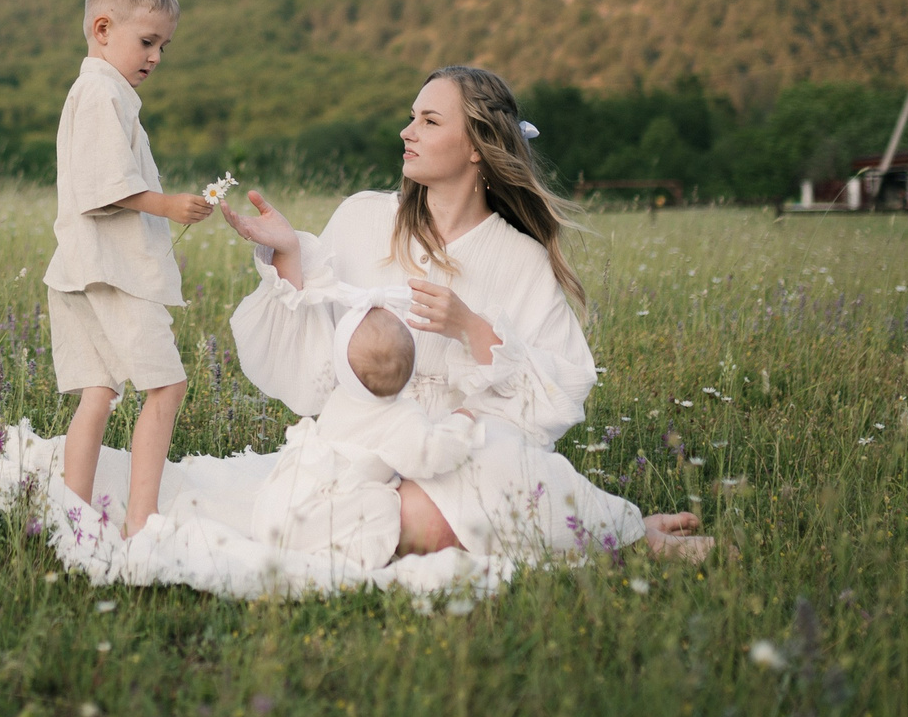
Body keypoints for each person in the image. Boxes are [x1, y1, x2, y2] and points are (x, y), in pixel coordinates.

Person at [223, 65, 713, 565]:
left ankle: (626, 532)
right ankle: (607, 525)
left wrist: (472, 329)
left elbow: (560, 391)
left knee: (427, 513)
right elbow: (318, 358)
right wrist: (288, 255)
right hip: (365, 444)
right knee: (312, 520)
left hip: (466, 455)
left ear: (477, 146)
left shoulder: (520, 257)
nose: (407, 132)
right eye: (412, 117)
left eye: (430, 121)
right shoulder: (363, 218)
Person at [44, 0, 211, 540]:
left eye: (163, 45)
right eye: (147, 41)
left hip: (82, 268)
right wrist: (169, 205)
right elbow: (103, 188)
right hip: (111, 272)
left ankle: (71, 513)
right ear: (102, 28)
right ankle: (142, 522)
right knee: (166, 385)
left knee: (99, 390)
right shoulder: (100, 92)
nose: (156, 56)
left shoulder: (102, 91)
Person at [247, 288, 481, 570]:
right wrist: (462, 422)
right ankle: (352, 555)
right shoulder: (402, 416)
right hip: (329, 507)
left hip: (284, 503)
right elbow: (429, 456)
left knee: (297, 506)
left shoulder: (339, 398)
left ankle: (277, 534)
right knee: (385, 505)